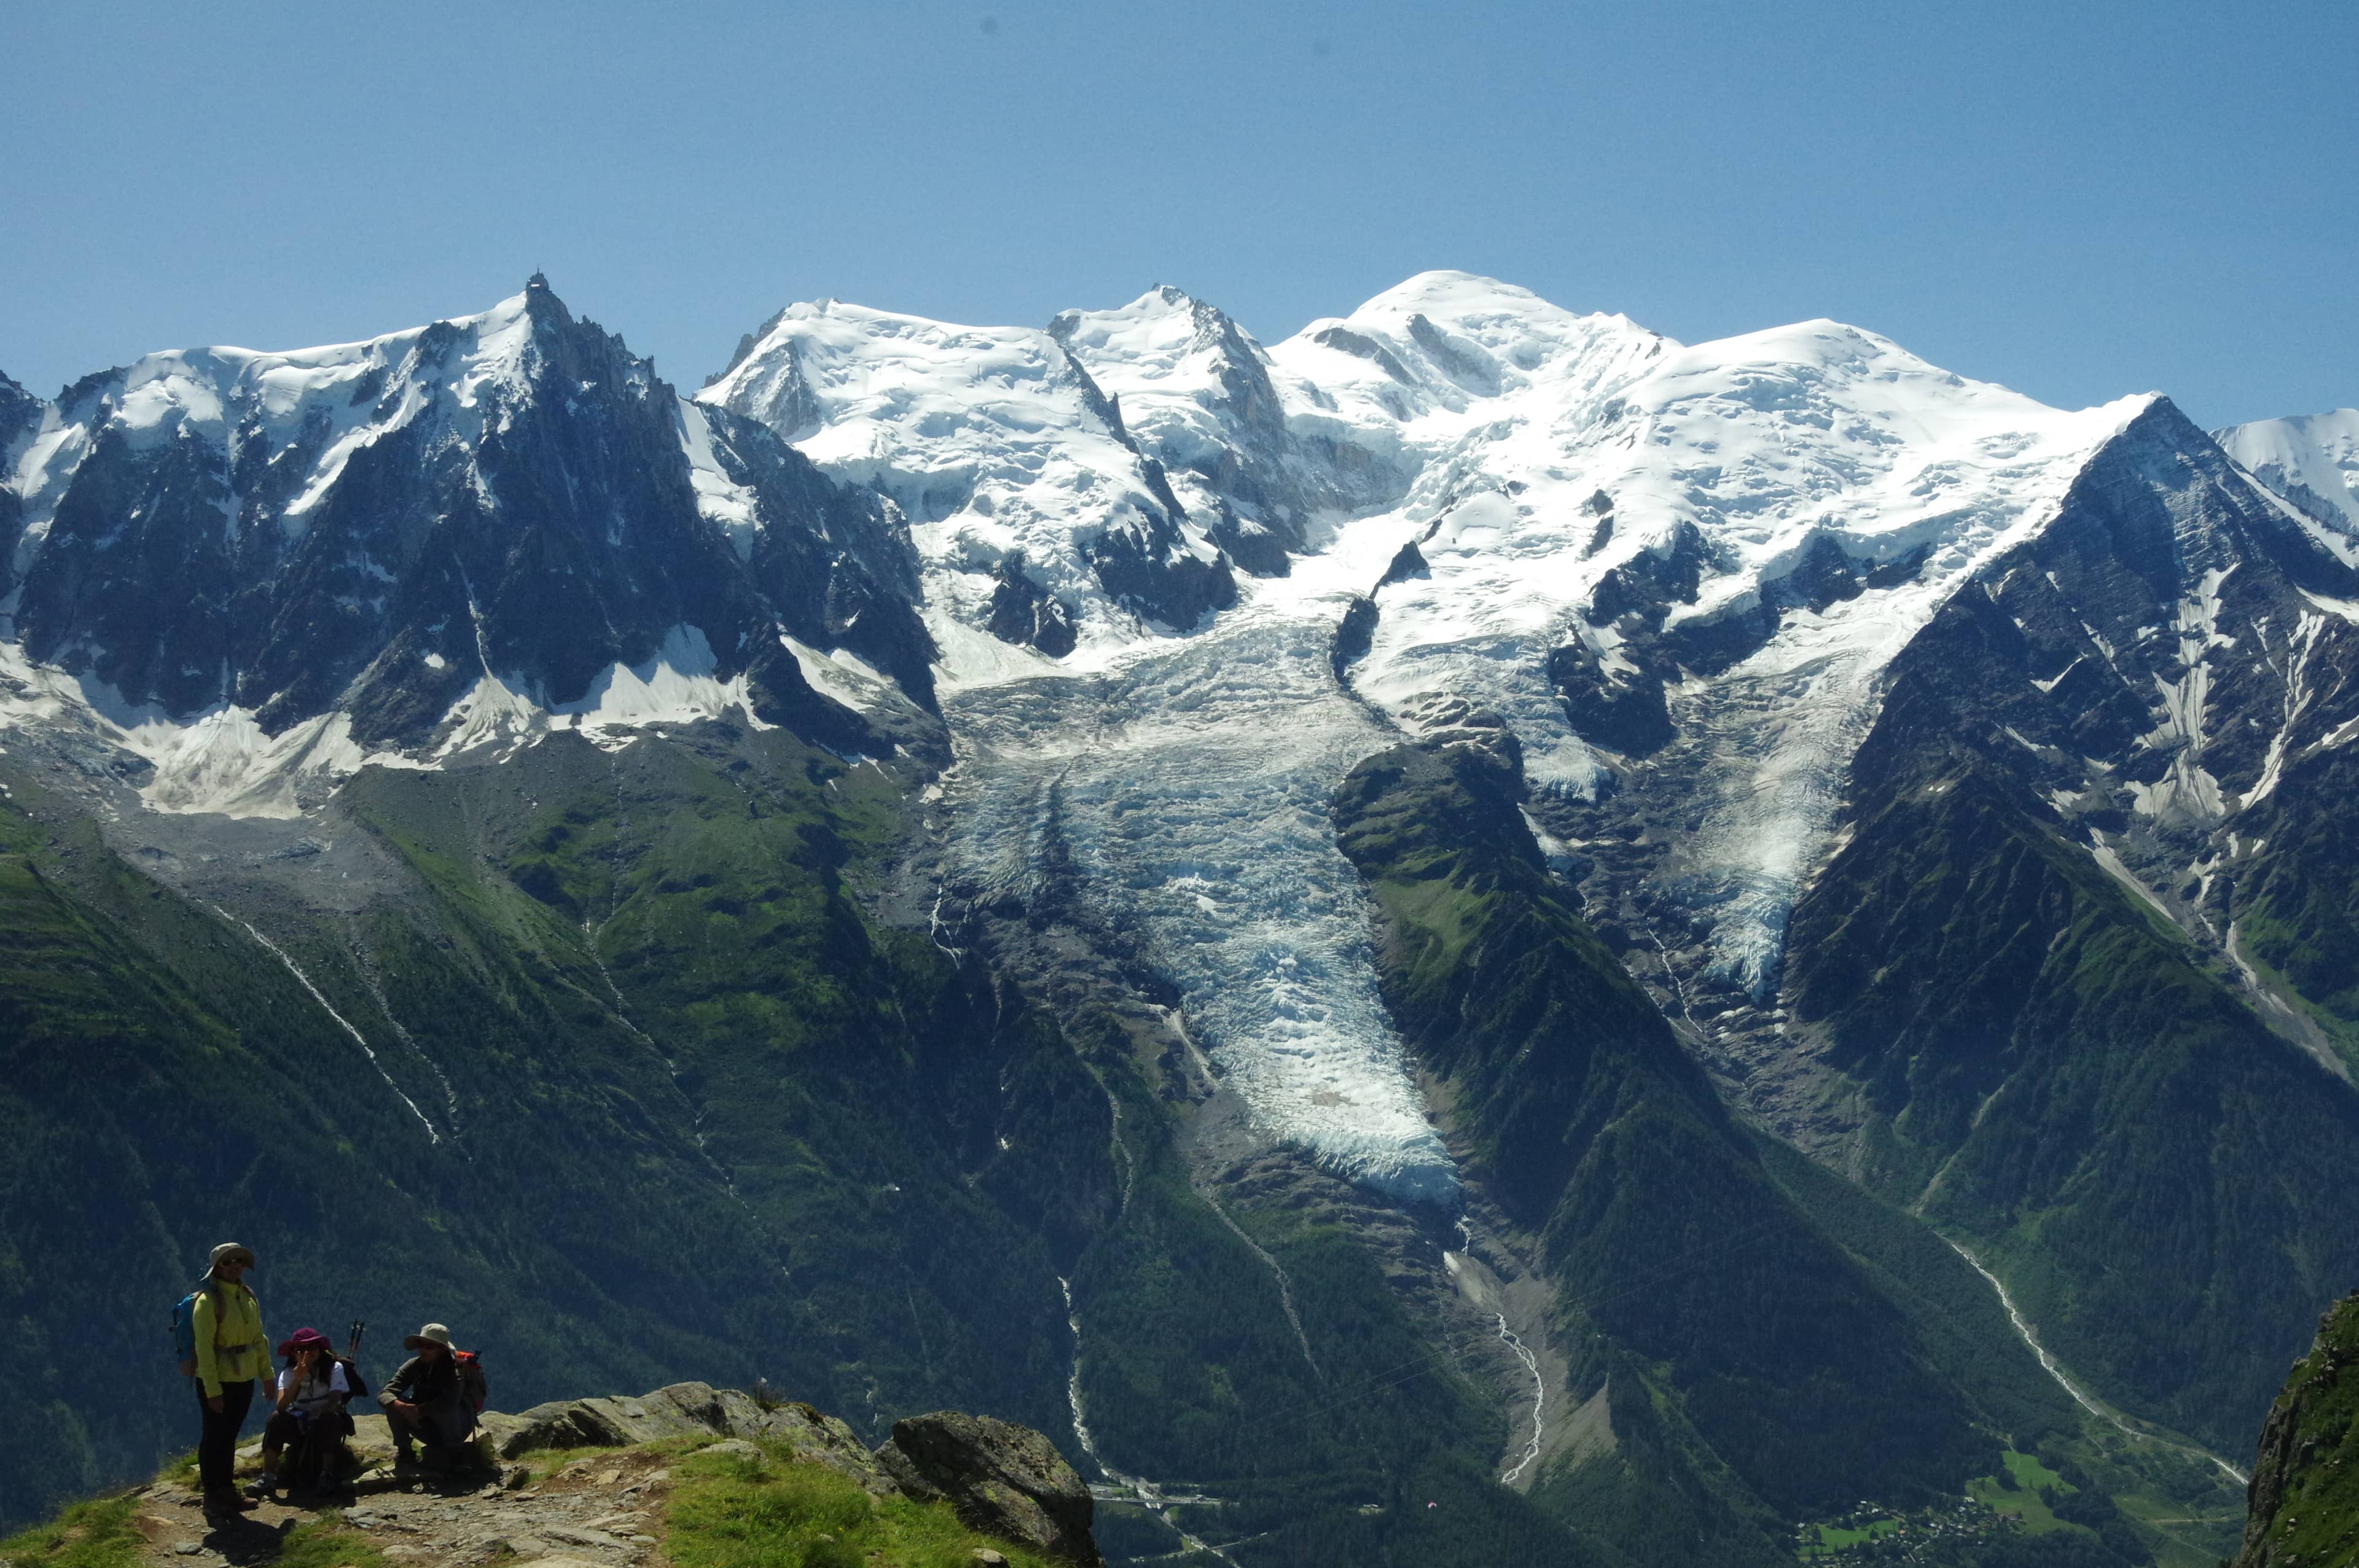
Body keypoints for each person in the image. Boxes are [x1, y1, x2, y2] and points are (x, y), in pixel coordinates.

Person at [190, 1243, 272, 1516]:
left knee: (229, 1436)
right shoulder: (207, 1302)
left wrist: (267, 1376)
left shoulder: (248, 1296)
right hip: (217, 1380)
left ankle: (225, 1490)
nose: (236, 1266)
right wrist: (213, 1390)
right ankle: (212, 1495)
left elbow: (259, 1338)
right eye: (229, 1262)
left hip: (244, 1377)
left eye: (239, 1261)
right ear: (218, 1267)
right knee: (214, 1436)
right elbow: (203, 1348)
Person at [251, 1327, 353, 1499]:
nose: (306, 1353)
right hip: (298, 1420)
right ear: (293, 1353)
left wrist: (320, 1411)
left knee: (331, 1420)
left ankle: (326, 1475)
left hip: (325, 1419)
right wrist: (298, 1379)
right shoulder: (289, 1373)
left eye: (311, 1348)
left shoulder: (334, 1368)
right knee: (276, 1419)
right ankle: (268, 1477)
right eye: (300, 1350)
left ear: (320, 1349)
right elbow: (282, 1406)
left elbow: (336, 1399)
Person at [377, 1323, 479, 1474]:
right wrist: (401, 1407)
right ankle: (405, 1453)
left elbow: (449, 1402)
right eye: (421, 1346)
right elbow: (385, 1393)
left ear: (442, 1349)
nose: (423, 1350)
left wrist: (418, 1411)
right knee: (393, 1405)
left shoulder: (455, 1371)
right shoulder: (414, 1365)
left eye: (429, 1347)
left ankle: (457, 1455)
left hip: (456, 1426)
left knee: (446, 1410)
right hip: (425, 1424)